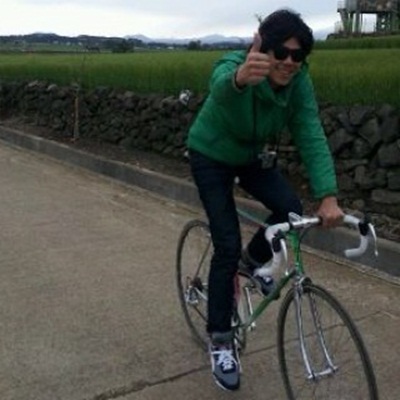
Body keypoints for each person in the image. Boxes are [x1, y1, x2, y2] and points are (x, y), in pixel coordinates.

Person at [186, 8, 344, 391]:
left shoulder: (298, 82)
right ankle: (220, 339)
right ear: (263, 47)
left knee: (289, 210)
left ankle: (250, 263)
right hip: (210, 155)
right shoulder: (237, 65)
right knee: (226, 243)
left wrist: (328, 196)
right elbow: (221, 87)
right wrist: (240, 79)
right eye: (281, 52)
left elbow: (310, 132)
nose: (289, 61)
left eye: (297, 54)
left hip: (249, 156)